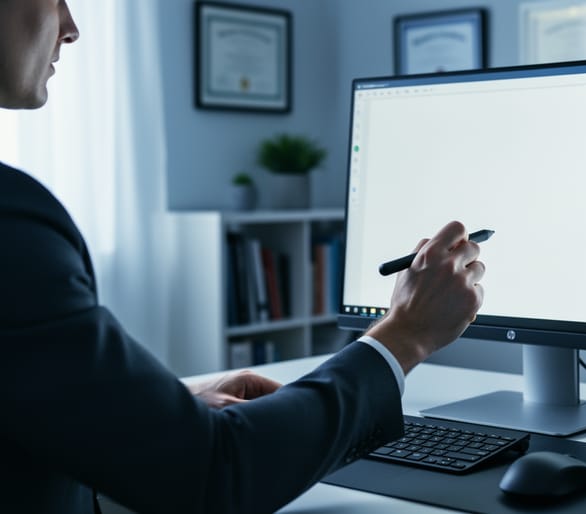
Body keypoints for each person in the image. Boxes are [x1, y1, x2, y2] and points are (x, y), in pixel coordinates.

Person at [0, 2, 486, 513]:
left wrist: (168, 413)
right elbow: (212, 475)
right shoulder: (11, 220)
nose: (70, 27)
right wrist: (405, 334)